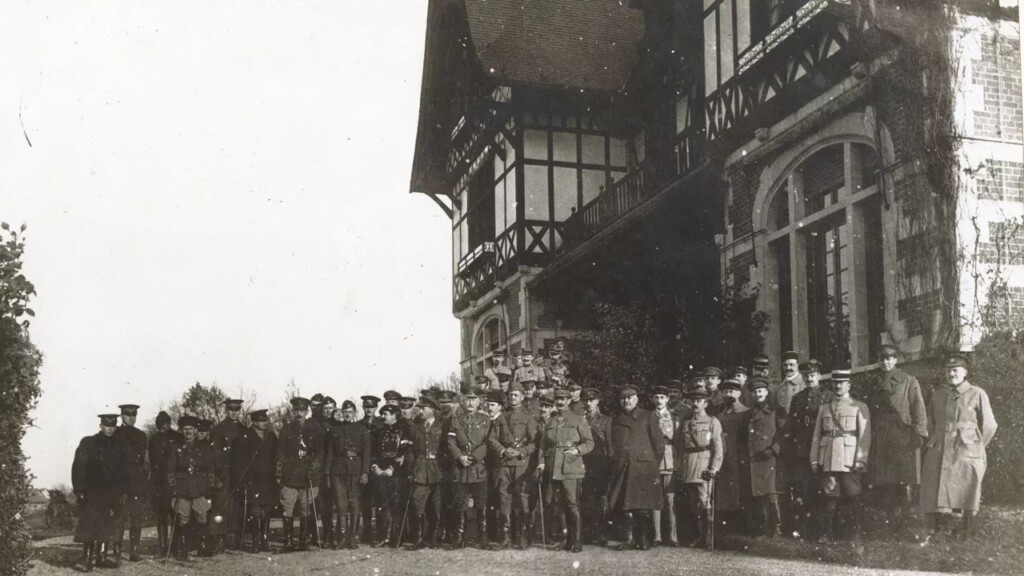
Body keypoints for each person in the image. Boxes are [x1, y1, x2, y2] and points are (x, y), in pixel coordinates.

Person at [920, 354, 997, 542]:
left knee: (964, 489)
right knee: (935, 486)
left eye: (955, 370)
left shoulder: (977, 393)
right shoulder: (938, 394)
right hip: (939, 448)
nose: (951, 373)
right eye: (947, 370)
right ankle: (936, 530)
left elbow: (989, 425)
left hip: (966, 450)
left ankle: (964, 532)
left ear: (965, 372)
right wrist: (936, 440)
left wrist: (976, 446)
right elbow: (930, 422)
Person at [864, 344, 928, 538]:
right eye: (883, 358)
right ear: (879, 359)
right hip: (880, 438)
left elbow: (919, 408)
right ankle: (890, 521)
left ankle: (904, 521)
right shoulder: (873, 382)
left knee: (904, 479)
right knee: (885, 482)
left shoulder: (908, 380)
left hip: (902, 437)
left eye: (890, 358)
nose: (886, 361)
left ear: (896, 359)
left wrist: (919, 433)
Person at [811, 368, 871, 542]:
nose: (838, 386)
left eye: (842, 383)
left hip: (849, 457)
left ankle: (856, 535)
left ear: (849, 385)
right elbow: (817, 435)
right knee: (830, 495)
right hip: (828, 456)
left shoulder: (860, 407)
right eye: (835, 383)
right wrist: (814, 459)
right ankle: (827, 534)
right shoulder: (824, 408)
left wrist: (861, 458)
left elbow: (865, 436)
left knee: (853, 494)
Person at [535, 388, 594, 553]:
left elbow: (589, 443)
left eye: (563, 399)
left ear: (569, 401)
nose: (560, 402)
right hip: (553, 467)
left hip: (571, 467)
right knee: (558, 505)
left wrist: (577, 450)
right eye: (558, 399)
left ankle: (576, 540)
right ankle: (564, 539)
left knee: (572, 504)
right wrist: (541, 463)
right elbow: (543, 446)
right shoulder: (551, 421)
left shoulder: (578, 419)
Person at [608, 386, 665, 550]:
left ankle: (643, 539)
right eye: (623, 398)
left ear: (636, 399)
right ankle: (630, 539)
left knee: (643, 507)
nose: (626, 401)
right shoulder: (617, 419)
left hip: (644, 468)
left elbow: (659, 444)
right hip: (624, 467)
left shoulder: (648, 416)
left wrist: (652, 464)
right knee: (626, 506)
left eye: (629, 397)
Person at [72, 414, 128, 572]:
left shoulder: (119, 445)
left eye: (113, 426)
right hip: (92, 491)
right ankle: (87, 558)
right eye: (107, 426)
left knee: (107, 524)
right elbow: (79, 467)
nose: (110, 429)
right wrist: (80, 490)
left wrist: (123, 491)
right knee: (90, 524)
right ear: (100, 426)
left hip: (112, 492)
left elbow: (124, 472)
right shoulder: (88, 443)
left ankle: (102, 556)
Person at [489, 382, 539, 549]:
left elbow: (534, 443)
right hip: (504, 464)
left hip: (521, 465)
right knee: (504, 500)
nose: (512, 398)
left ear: (523, 397)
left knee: (522, 499)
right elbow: (492, 439)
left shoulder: (529, 418)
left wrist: (521, 452)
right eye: (510, 395)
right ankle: (505, 537)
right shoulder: (501, 417)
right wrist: (503, 451)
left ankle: (523, 536)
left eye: (516, 395)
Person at [674, 387, 723, 548]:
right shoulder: (686, 423)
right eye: (693, 400)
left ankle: (708, 539)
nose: (695, 404)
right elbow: (680, 447)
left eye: (699, 401)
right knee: (693, 503)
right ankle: (697, 536)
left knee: (705, 501)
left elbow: (718, 447)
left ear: (706, 403)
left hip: (704, 465)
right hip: (689, 464)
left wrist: (714, 468)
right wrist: (679, 467)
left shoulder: (712, 421)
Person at [276, 396, 325, 552]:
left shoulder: (315, 429)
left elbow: (319, 454)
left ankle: (303, 541)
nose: (299, 413)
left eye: (302, 410)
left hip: (307, 477)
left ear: (306, 411)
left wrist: (313, 469)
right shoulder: (286, 429)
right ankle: (288, 542)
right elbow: (280, 454)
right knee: (288, 508)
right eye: (296, 410)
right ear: (293, 411)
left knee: (305, 509)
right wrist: (279, 474)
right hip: (290, 477)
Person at [786, 360, 829, 539]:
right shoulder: (798, 398)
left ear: (819, 376)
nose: (809, 378)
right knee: (803, 490)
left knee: (822, 490)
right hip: (801, 450)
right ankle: (805, 530)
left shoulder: (828, 396)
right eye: (806, 376)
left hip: (821, 449)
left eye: (812, 375)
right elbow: (792, 425)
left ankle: (821, 531)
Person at [446, 389, 492, 549]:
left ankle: (483, 538)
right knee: (460, 504)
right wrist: (460, 457)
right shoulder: (456, 420)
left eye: (474, 399)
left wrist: (474, 457)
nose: (471, 402)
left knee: (482, 504)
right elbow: (450, 441)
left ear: (479, 401)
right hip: (462, 468)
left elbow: (488, 442)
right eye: (468, 399)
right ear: (463, 401)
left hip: (479, 467)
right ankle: (459, 538)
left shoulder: (486, 420)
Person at [167, 415, 215, 560]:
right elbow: (170, 470)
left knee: (202, 516)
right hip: (182, 488)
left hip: (200, 488)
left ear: (195, 430)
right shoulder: (176, 448)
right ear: (181, 431)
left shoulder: (203, 447)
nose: (188, 432)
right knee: (183, 518)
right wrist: (174, 489)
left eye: (191, 429)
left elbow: (210, 468)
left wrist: (209, 488)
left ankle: (202, 546)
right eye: (185, 429)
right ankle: (183, 549)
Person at [324, 400, 370, 550]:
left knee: (355, 504)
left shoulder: (362, 430)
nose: (347, 414)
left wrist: (364, 472)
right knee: (341, 505)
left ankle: (352, 538)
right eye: (345, 412)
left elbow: (366, 454)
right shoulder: (335, 430)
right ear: (341, 413)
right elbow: (330, 453)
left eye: (350, 412)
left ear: (355, 413)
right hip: (338, 471)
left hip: (356, 471)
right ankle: (342, 537)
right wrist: (328, 473)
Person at [232, 409, 278, 552]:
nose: (265, 423)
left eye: (266, 420)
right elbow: (238, 463)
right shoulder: (243, 438)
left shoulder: (271, 437)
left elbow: (275, 457)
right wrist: (244, 481)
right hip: (252, 481)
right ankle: (255, 542)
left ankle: (265, 541)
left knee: (267, 510)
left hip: (268, 481)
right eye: (261, 421)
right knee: (255, 511)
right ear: (254, 422)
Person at [746, 377, 786, 538]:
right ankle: (761, 528)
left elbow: (785, 434)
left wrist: (773, 450)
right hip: (755, 458)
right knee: (759, 494)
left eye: (760, 391)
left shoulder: (777, 411)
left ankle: (777, 528)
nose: (758, 394)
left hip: (770, 457)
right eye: (755, 392)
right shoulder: (749, 414)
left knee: (771, 493)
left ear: (766, 392)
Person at [209, 398, 247, 553]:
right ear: (226, 410)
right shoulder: (219, 429)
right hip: (224, 473)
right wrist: (219, 476)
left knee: (238, 507)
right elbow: (214, 454)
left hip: (239, 474)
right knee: (221, 507)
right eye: (231, 409)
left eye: (237, 410)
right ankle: (220, 540)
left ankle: (239, 539)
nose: (234, 412)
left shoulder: (244, 430)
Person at [371, 404, 412, 547]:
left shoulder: (404, 430)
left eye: (386, 414)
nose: (383, 417)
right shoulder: (380, 431)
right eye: (382, 414)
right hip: (381, 472)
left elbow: (404, 451)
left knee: (396, 505)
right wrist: (375, 466)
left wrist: (391, 468)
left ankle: (396, 538)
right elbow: (375, 451)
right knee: (382, 505)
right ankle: (384, 537)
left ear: (394, 415)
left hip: (396, 474)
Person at [714, 377, 751, 535]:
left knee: (739, 489)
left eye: (732, 391)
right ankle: (725, 526)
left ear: (738, 392)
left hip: (739, 456)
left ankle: (741, 526)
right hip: (724, 456)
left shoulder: (746, 413)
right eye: (726, 391)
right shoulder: (720, 415)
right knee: (724, 491)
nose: (729, 394)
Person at [408, 397, 446, 549]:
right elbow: (410, 451)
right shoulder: (415, 426)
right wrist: (411, 470)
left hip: (438, 470)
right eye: (419, 408)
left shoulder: (442, 426)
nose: (420, 411)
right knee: (418, 505)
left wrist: (444, 469)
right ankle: (418, 539)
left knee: (436, 507)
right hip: (420, 470)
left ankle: (434, 538)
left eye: (423, 408)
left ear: (432, 409)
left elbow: (446, 449)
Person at [113, 404, 148, 562]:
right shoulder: (116, 434)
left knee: (136, 518)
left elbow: (144, 461)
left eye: (134, 415)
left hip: (138, 484)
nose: (131, 417)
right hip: (121, 484)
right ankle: (117, 551)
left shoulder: (141, 435)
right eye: (128, 415)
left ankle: (134, 550)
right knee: (120, 518)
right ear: (121, 416)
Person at [148, 410, 181, 555]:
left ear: (169, 423)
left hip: (172, 482)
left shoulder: (177, 437)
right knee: (160, 517)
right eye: (160, 425)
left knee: (175, 516)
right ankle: (163, 547)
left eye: (165, 424)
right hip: (157, 483)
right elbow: (152, 460)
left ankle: (175, 547)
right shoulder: (153, 439)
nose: (163, 427)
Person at [582, 388, 612, 546]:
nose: (588, 403)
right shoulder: (580, 419)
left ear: (597, 401)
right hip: (584, 461)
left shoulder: (605, 420)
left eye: (591, 400)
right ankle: (588, 533)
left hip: (601, 462)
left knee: (602, 498)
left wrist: (610, 463)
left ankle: (603, 534)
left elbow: (609, 444)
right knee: (587, 498)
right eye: (586, 400)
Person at [651, 384, 679, 547]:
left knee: (670, 499)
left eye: (662, 397)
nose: (659, 400)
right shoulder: (648, 417)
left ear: (667, 399)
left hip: (669, 462)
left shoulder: (675, 418)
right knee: (655, 499)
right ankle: (656, 536)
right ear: (652, 399)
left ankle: (673, 536)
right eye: (657, 397)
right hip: (654, 462)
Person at [358, 394, 382, 542]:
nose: (369, 409)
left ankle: (379, 532)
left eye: (371, 407)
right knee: (365, 501)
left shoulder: (381, 423)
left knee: (379, 500)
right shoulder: (359, 425)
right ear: (363, 408)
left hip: (378, 466)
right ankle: (366, 532)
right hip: (364, 466)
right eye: (366, 407)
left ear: (376, 408)